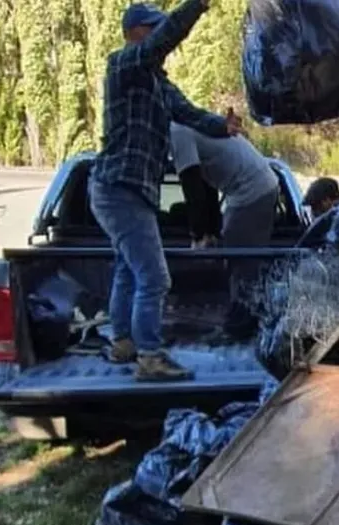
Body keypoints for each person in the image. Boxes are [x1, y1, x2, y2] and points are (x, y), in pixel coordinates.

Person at [90, 0, 240, 382]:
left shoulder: (158, 82)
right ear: (136, 32)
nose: (159, 34)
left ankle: (122, 343)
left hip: (127, 191)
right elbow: (165, 40)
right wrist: (198, 5)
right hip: (118, 187)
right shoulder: (123, 64)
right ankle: (151, 358)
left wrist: (223, 127)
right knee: (155, 278)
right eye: (153, 27)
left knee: (128, 269)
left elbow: (188, 114)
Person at [170, 121, 279, 247]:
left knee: (236, 257)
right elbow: (207, 188)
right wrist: (211, 232)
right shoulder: (190, 125)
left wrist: (198, 237)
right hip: (262, 183)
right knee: (241, 256)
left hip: (251, 189)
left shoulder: (177, 132)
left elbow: (193, 188)